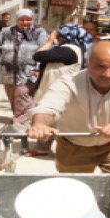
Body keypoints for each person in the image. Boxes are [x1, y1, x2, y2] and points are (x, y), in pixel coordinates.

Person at [26, 41, 110, 191]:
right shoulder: (68, 82)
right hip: (73, 146)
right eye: (100, 66)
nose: (107, 74)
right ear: (88, 62)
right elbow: (48, 106)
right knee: (74, 193)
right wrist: (40, 124)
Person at [0, 8, 49, 152]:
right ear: (16, 20)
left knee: (23, 103)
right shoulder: (6, 32)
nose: (25, 22)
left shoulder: (39, 33)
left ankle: (17, 133)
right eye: (22, 19)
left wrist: (38, 69)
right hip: (7, 74)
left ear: (32, 19)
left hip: (28, 75)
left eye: (28, 19)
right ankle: (20, 126)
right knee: (15, 103)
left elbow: (45, 51)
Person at [27, 26, 84, 156]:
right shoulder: (74, 50)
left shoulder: (68, 51)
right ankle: (43, 147)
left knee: (52, 119)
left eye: (58, 36)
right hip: (58, 89)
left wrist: (50, 41)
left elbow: (38, 55)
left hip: (58, 91)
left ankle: (59, 149)